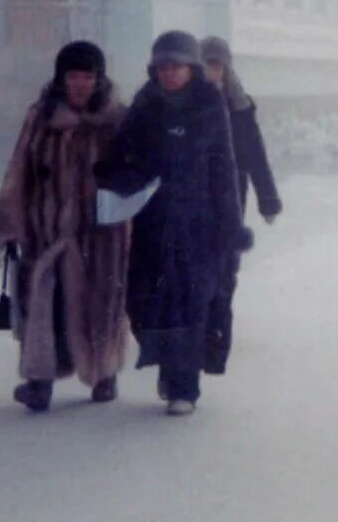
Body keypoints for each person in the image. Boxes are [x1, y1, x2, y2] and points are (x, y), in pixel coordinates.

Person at [95, 31, 252, 416]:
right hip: (152, 224)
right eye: (163, 67)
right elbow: (120, 156)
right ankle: (168, 366)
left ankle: (185, 385)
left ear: (190, 69)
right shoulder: (144, 105)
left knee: (189, 304)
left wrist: (230, 226)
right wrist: (118, 176)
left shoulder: (209, 106)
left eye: (176, 66)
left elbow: (224, 170)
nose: (169, 74)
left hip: (198, 228)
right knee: (147, 302)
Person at [0, 41, 130, 412]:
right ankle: (40, 383)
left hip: (102, 235)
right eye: (73, 76)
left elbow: (139, 174)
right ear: (61, 79)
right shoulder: (41, 118)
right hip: (48, 234)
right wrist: (10, 225)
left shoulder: (117, 122)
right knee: (44, 307)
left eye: (88, 76)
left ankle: (104, 375)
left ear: (99, 80)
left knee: (101, 304)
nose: (80, 84)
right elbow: (17, 172)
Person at [199, 35, 281, 377]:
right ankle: (196, 330)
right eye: (204, 63)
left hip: (231, 198)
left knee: (224, 269)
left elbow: (254, 153)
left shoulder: (238, 106)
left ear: (225, 68)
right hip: (192, 199)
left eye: (216, 64)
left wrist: (267, 198)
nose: (210, 71)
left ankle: (215, 338)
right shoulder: (186, 102)